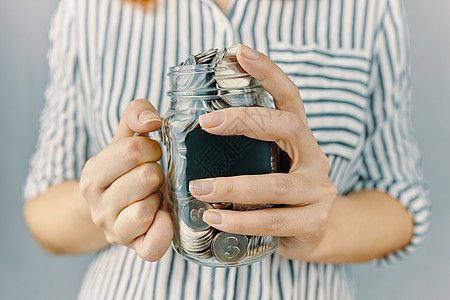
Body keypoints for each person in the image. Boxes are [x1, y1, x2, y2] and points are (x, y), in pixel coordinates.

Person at [23, 0, 431, 299]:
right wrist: (115, 204)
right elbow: (43, 206)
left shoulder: (368, 10)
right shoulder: (87, 11)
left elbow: (402, 197)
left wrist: (321, 230)